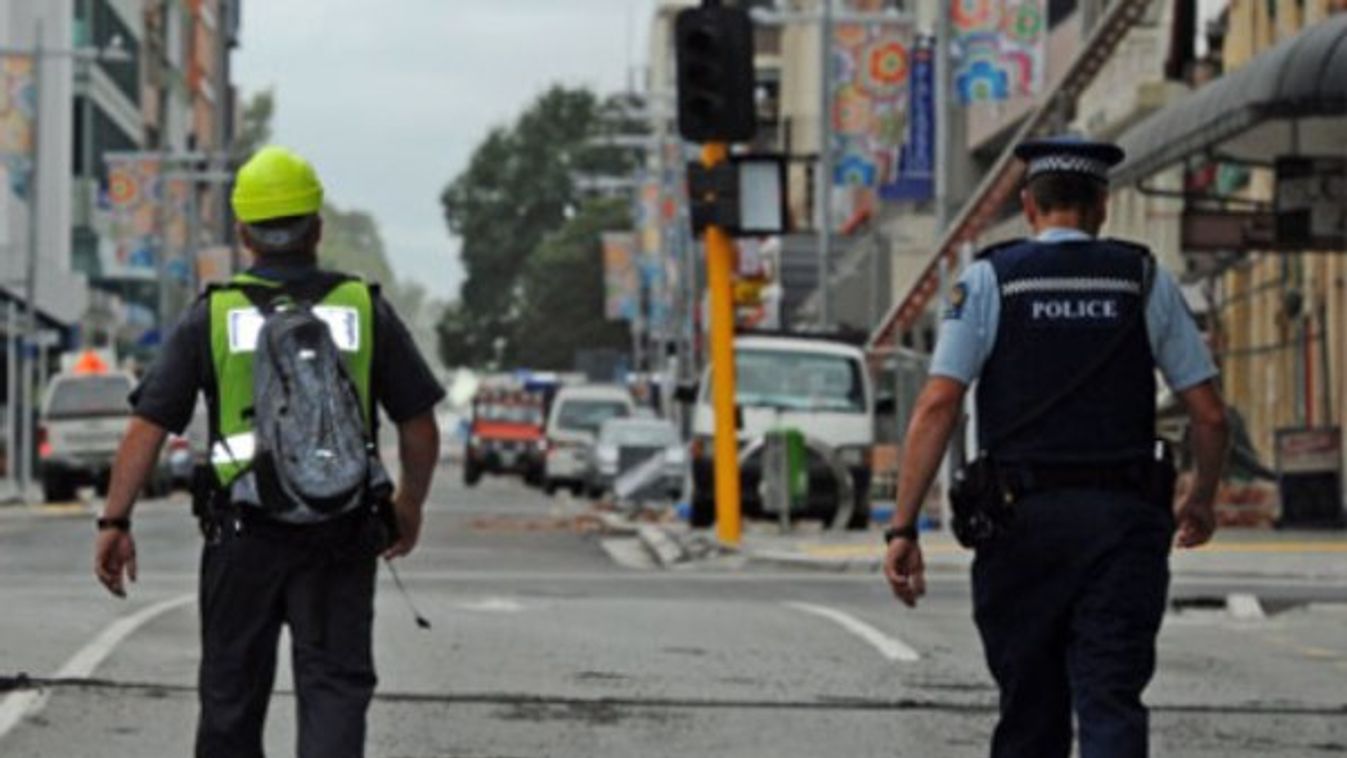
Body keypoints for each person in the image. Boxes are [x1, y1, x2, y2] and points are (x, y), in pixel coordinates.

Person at [882, 136, 1230, 758]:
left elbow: (936, 405)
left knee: (1029, 707)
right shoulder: (1142, 277)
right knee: (1110, 697)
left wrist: (902, 528)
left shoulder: (990, 280)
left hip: (1020, 526)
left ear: (1029, 205)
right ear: (1102, 204)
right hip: (1124, 526)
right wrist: (1200, 498)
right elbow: (1208, 414)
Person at [92, 146, 445, 758]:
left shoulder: (215, 314)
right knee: (334, 689)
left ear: (243, 235)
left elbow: (147, 427)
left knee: (230, 699)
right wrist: (410, 503)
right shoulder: (362, 307)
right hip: (341, 532)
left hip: (244, 537)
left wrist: (115, 520)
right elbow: (418, 423)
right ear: (317, 227)